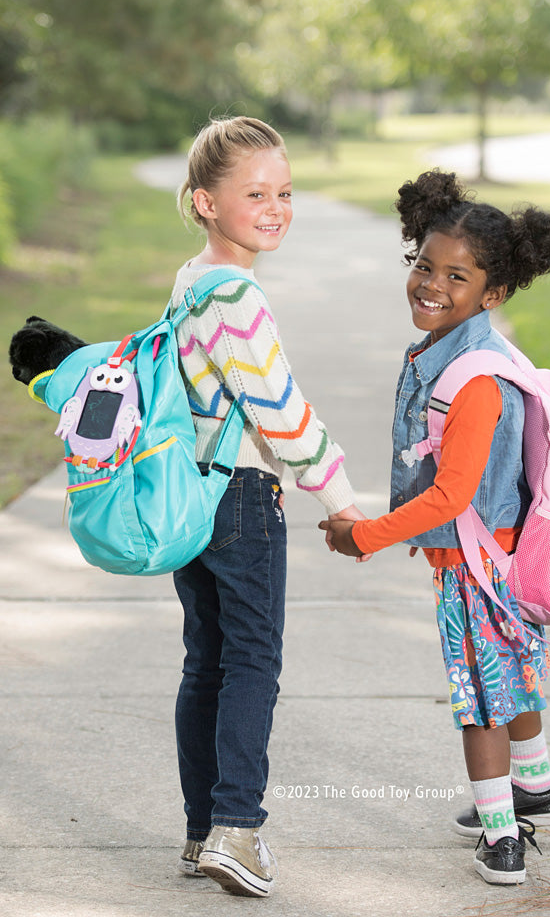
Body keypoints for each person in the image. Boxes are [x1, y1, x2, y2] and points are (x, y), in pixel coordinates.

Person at [319, 169, 550, 886]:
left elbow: (451, 495)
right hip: (500, 557)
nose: (431, 284)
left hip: (476, 568)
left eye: (455, 277)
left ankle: (501, 836)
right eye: (424, 266)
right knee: (512, 683)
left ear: (491, 295)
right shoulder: (465, 352)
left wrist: (363, 534)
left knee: (480, 703)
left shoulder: (475, 380)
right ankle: (540, 786)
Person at [169, 116, 365, 897]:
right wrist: (342, 498)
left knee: (207, 663)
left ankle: (200, 833)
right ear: (205, 202)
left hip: (194, 492)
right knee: (251, 661)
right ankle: (238, 829)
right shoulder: (236, 293)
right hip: (243, 495)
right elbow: (279, 411)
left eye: (284, 191)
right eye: (254, 193)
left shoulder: (190, 279)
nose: (275, 206)